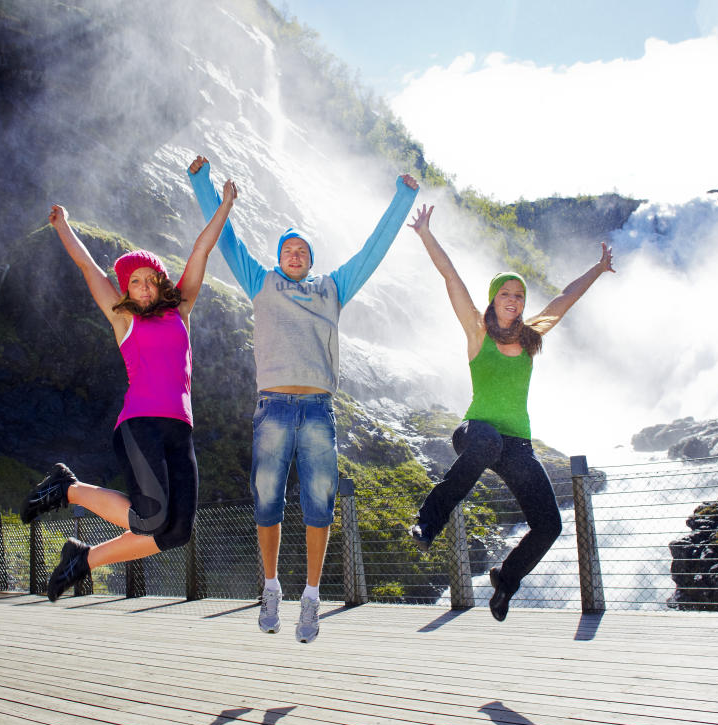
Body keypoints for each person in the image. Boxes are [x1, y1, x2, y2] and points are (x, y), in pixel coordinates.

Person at [189, 156, 418, 642]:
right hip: (273, 407)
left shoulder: (333, 288)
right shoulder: (262, 283)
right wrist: (202, 184)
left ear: (310, 260)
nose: (294, 255)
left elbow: (373, 250)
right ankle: (271, 586)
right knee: (266, 499)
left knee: (320, 503)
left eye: (301, 250)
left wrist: (403, 197)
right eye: (287, 249)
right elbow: (225, 240)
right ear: (278, 258)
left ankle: (311, 598)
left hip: (317, 410)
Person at [20, 157, 237, 602]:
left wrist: (225, 205)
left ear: (160, 282)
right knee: (151, 519)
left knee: (175, 531)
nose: (141, 287)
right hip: (140, 426)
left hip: (180, 430)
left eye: (149, 279)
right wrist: (63, 226)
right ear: (126, 289)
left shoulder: (181, 312)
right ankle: (69, 489)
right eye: (133, 282)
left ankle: (82, 559)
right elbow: (90, 271)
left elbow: (200, 252)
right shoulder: (124, 322)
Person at [405, 203, 614, 621]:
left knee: (549, 524)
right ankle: (429, 522)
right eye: (506, 294)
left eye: (519, 296)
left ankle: (506, 578)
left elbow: (565, 298)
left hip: (516, 445)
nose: (513, 301)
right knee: (487, 441)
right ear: (493, 299)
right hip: (476, 432)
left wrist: (598, 268)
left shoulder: (532, 336)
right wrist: (425, 232)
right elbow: (452, 278)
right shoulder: (476, 332)